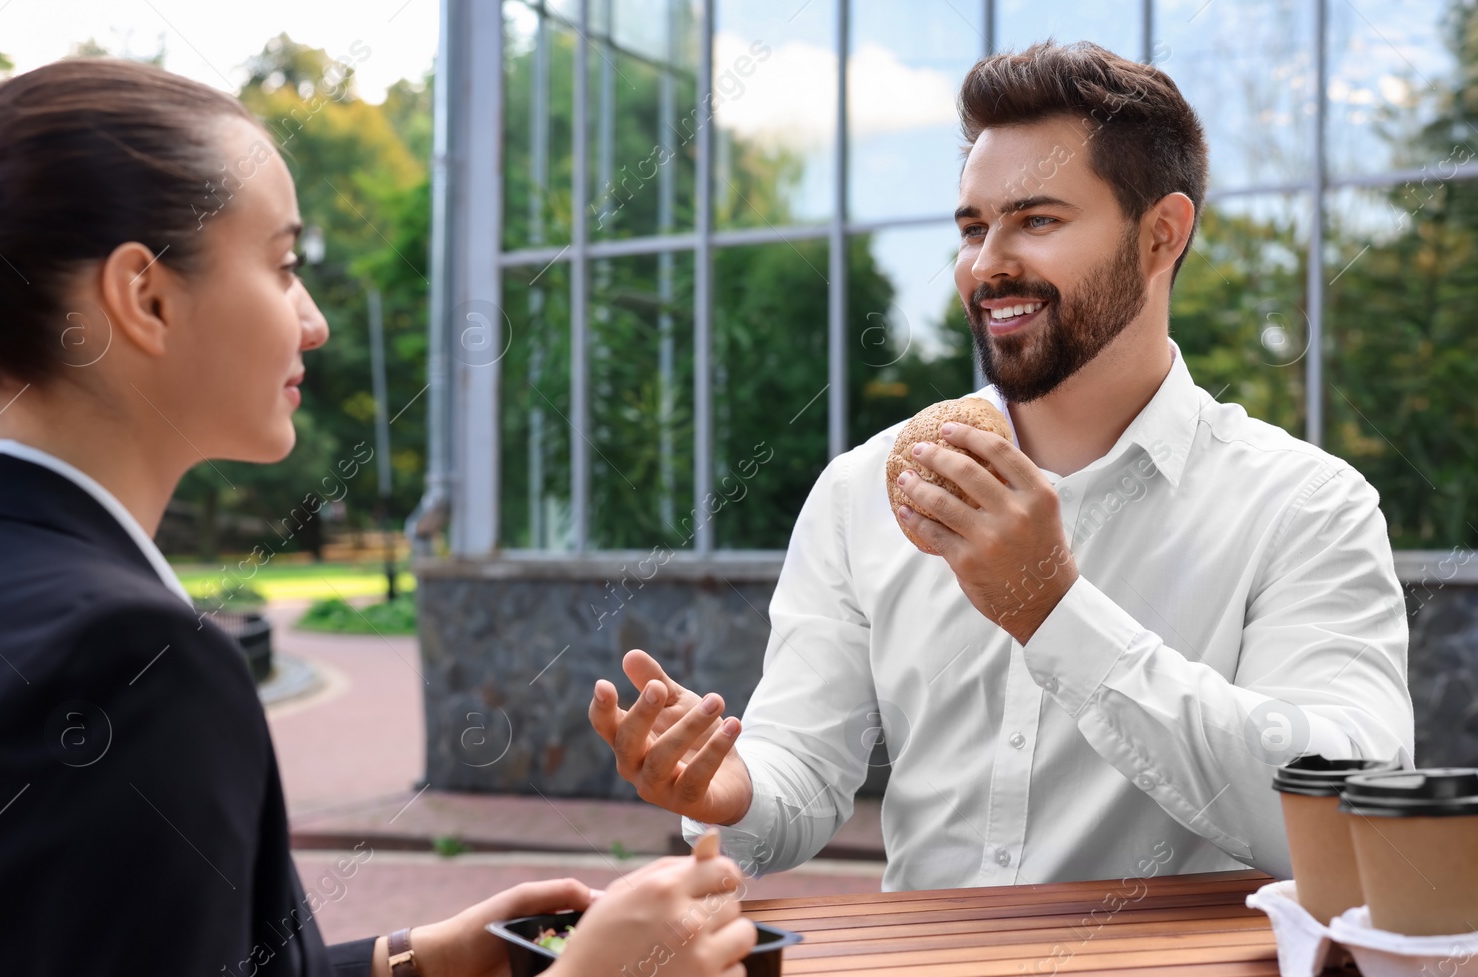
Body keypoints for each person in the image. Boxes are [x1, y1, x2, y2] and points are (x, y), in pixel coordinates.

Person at [0, 59, 757, 977]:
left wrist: (412, 970)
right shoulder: (122, 659)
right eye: (283, 262)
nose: (314, 320)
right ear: (144, 297)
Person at [589, 41, 1415, 891]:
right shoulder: (862, 493)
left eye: (1037, 220)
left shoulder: (1307, 506)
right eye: (975, 228)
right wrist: (733, 788)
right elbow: (800, 769)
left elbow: (1348, 815)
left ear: (1161, 235)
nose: (987, 264)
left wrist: (1056, 613)